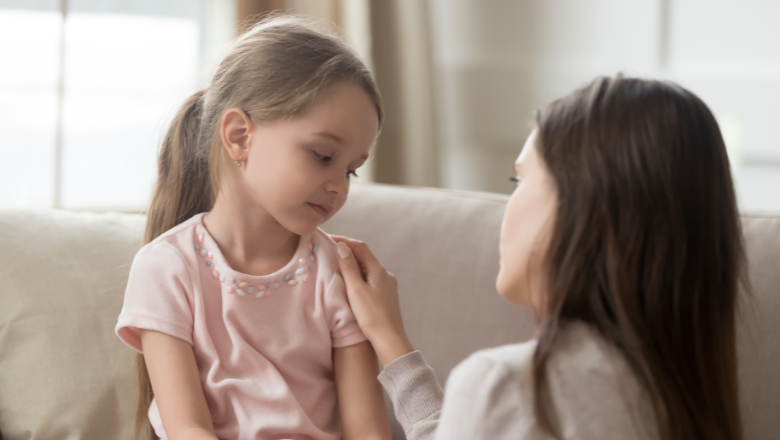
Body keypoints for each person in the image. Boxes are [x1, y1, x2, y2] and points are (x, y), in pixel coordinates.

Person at [333, 75, 747, 440]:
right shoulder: (683, 395)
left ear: (582, 205)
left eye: (521, 179)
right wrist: (391, 342)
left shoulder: (510, 386)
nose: (507, 206)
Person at [114, 16, 391, 440]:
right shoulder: (166, 268)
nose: (338, 185)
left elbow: (367, 431)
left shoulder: (338, 271)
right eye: (322, 155)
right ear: (240, 136)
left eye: (352, 170)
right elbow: (187, 427)